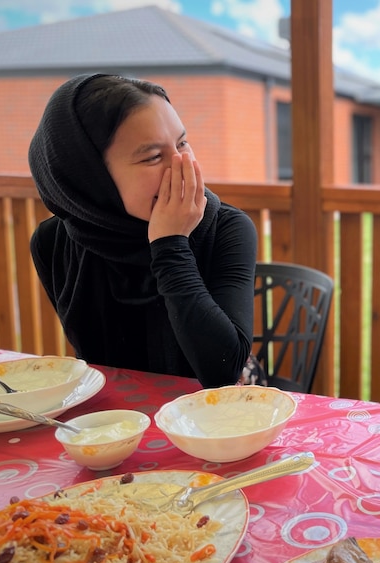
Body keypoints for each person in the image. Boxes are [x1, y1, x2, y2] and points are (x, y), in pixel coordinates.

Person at [28, 73, 260, 388]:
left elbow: (222, 370)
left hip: (222, 415)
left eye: (182, 143)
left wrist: (170, 245)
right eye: (153, 156)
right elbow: (97, 361)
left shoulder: (227, 228)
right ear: (90, 178)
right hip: (119, 416)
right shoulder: (53, 242)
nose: (182, 166)